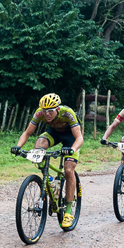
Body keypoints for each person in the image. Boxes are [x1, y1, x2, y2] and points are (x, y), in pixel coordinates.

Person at [11, 93, 84, 228]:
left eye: (50, 111)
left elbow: (79, 138)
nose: (47, 114)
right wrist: (18, 147)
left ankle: (68, 211)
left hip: (71, 137)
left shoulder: (67, 113)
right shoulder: (39, 114)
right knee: (38, 146)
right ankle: (48, 179)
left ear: (57, 109)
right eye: (45, 111)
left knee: (68, 169)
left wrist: (72, 150)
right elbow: (27, 133)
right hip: (54, 134)